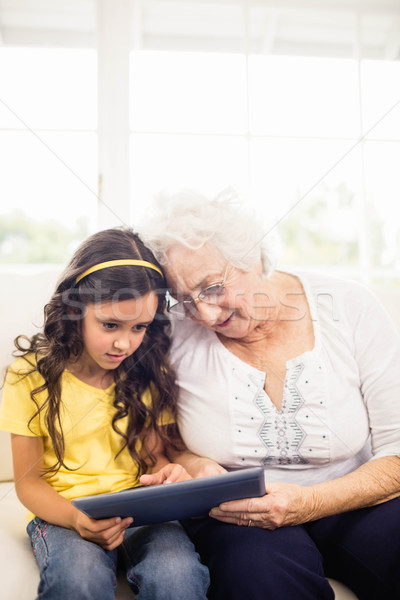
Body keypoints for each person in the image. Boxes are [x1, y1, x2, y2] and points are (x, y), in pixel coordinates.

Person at [138, 189, 400, 600]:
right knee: (259, 580)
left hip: (356, 499)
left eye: (212, 287)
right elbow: (163, 442)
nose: (205, 315)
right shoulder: (169, 334)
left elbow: (398, 450)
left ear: (252, 258)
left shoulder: (350, 306)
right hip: (239, 515)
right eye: (185, 299)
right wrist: (197, 465)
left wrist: (310, 502)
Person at [0, 227, 211, 600]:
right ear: (72, 309)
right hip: (66, 514)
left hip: (140, 513)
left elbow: (152, 458)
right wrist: (78, 520)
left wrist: (165, 474)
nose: (124, 343)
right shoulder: (28, 377)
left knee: (178, 578)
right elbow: (28, 483)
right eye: (110, 325)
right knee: (76, 581)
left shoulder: (147, 370)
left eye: (139, 328)